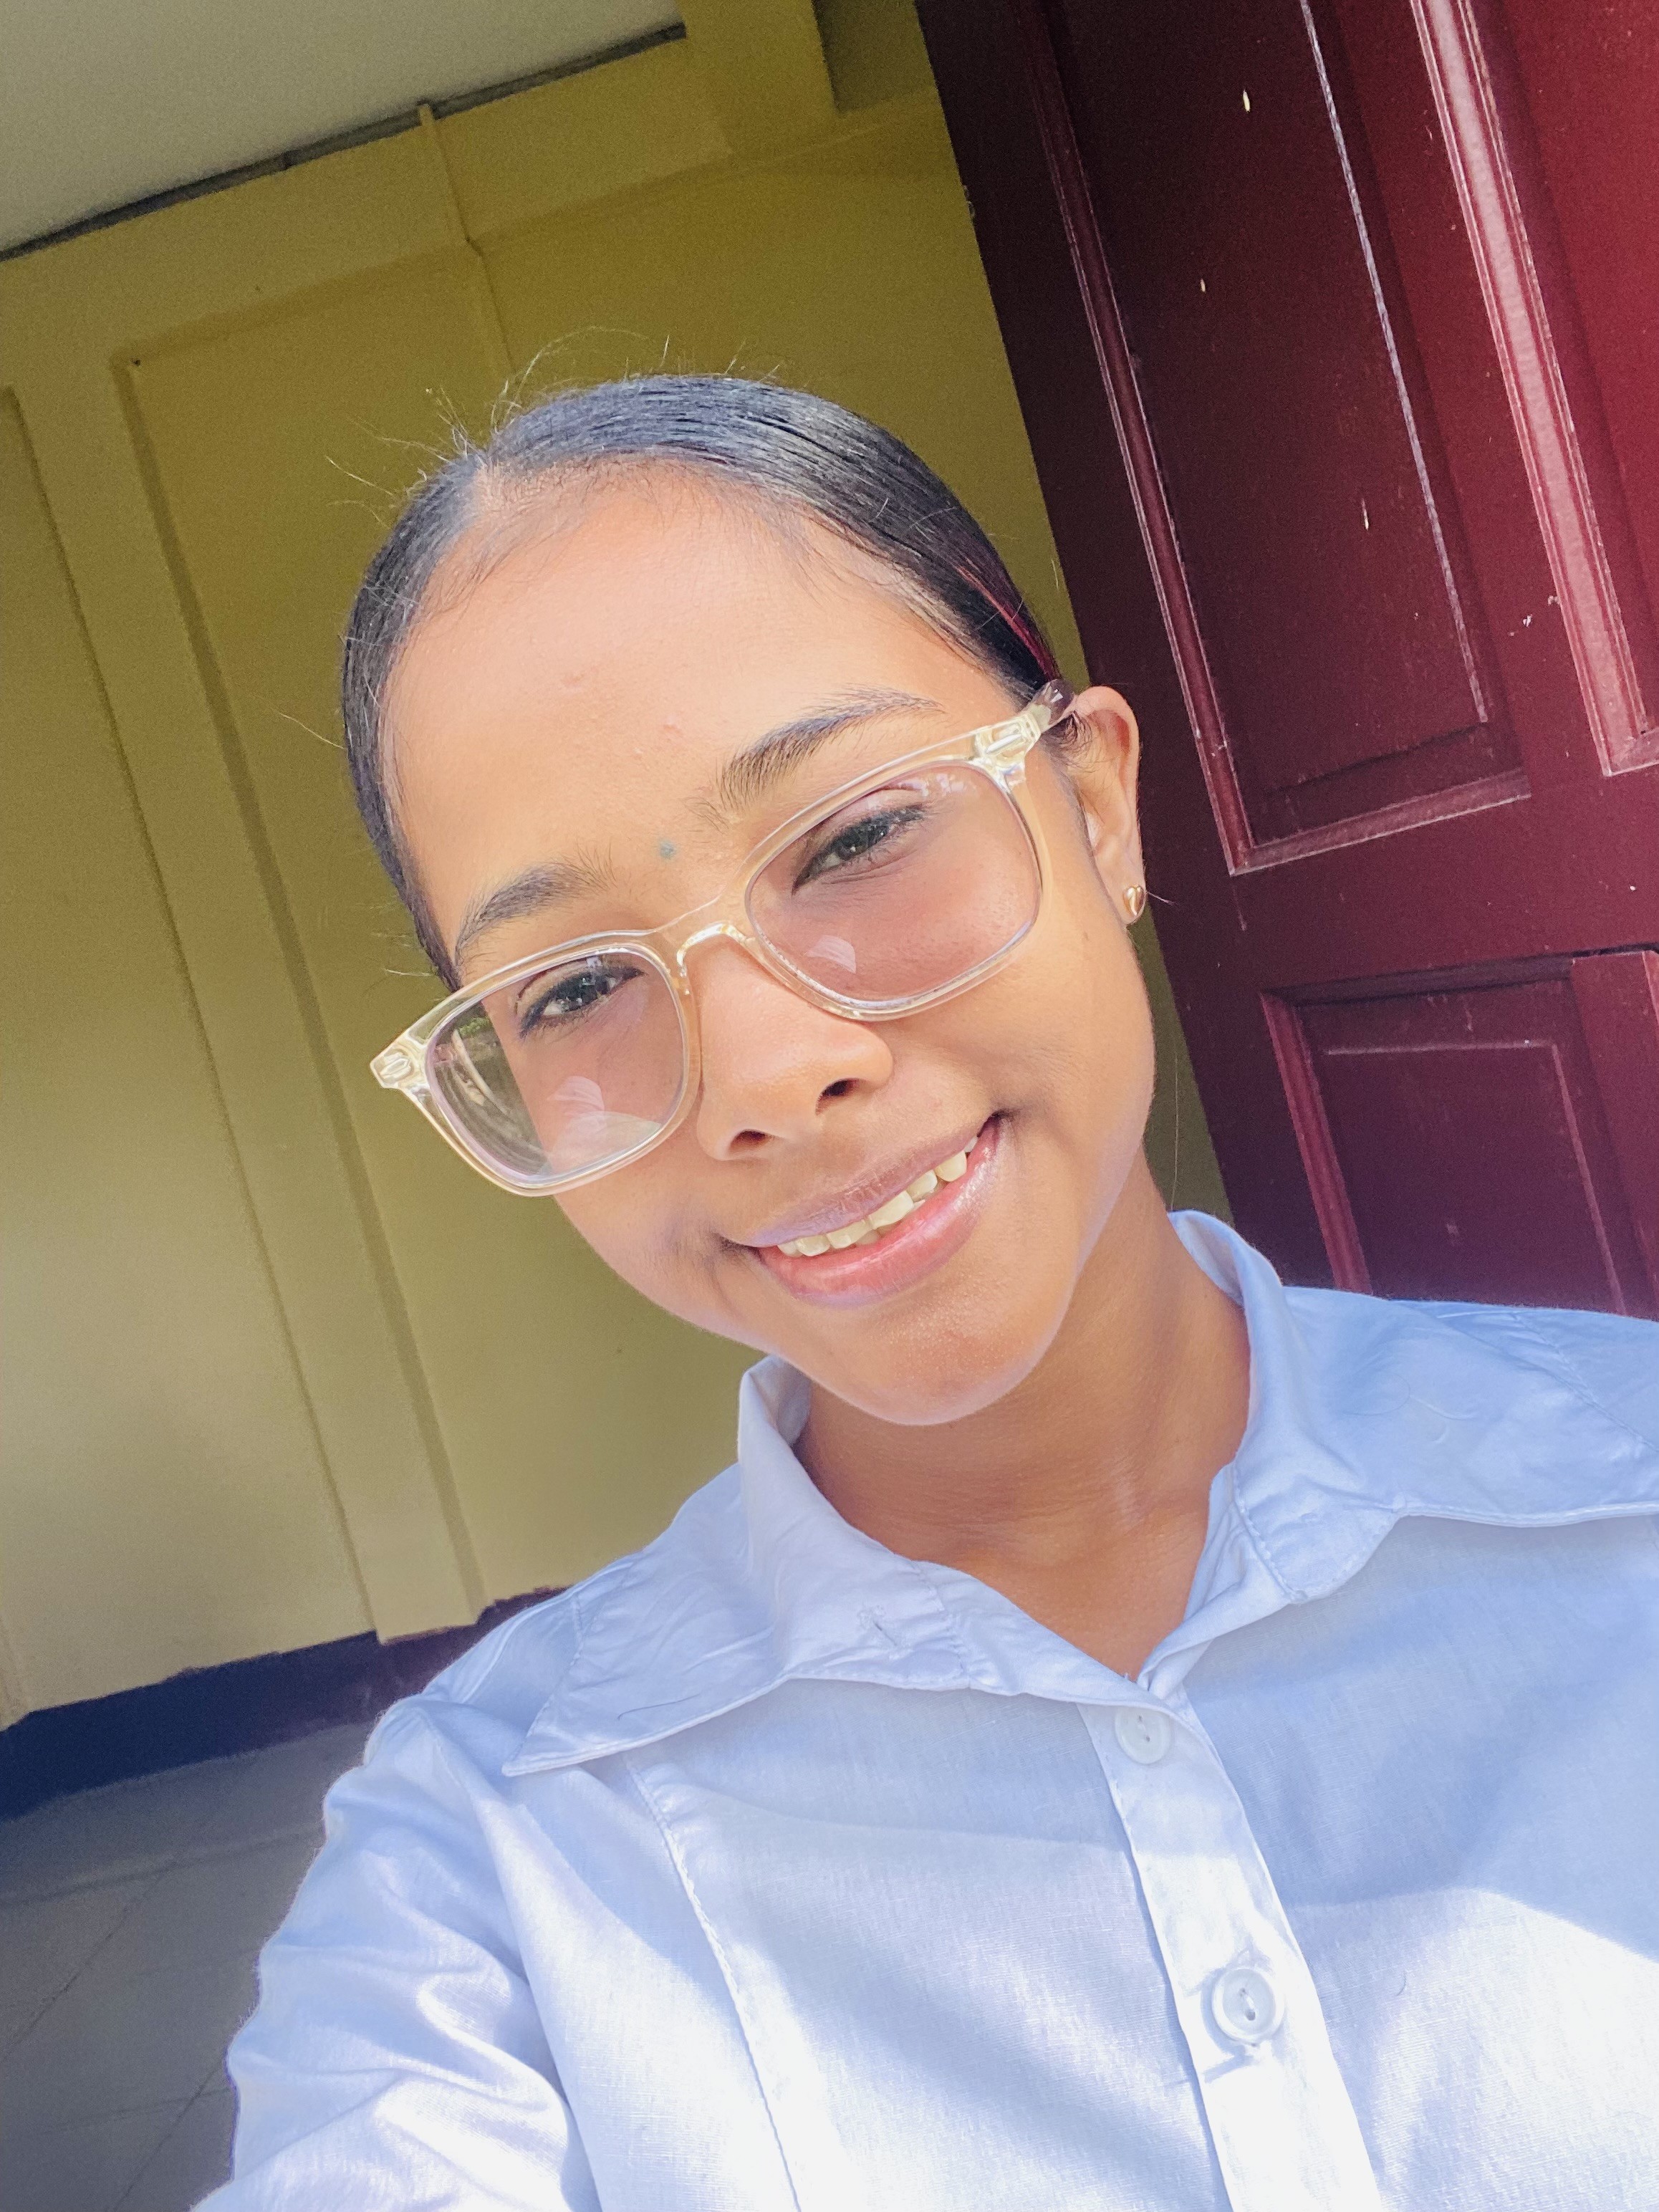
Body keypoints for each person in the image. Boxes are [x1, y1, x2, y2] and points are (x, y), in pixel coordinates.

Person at [206, 378, 1659, 2212]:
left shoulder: (1629, 1501)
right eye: (571, 988)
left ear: (1099, 803)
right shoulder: (485, 1871)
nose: (761, 1073)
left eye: (856, 835)